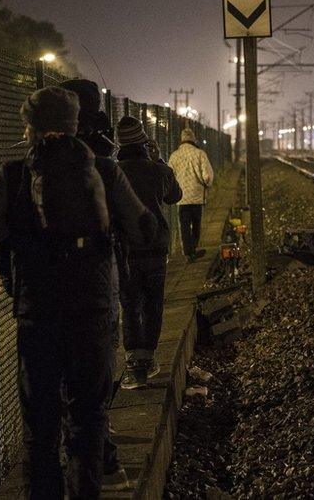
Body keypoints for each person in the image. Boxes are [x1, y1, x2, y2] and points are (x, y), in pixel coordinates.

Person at [0, 87, 155, 499]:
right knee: (88, 418)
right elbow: (143, 228)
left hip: (38, 313)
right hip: (94, 309)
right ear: (74, 122)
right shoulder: (103, 169)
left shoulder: (15, 174)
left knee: (41, 427)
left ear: (30, 127)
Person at [60, 78, 128, 491]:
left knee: (66, 373)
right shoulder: (104, 154)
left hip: (53, 283)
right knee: (99, 362)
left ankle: (81, 448)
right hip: (100, 278)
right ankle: (102, 452)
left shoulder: (39, 155)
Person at [115, 117, 182, 389]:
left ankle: (133, 363)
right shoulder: (157, 170)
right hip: (155, 246)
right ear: (144, 141)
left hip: (126, 248)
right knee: (153, 302)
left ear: (119, 142)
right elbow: (174, 196)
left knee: (129, 304)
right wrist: (160, 161)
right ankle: (148, 357)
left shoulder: (113, 172)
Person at [168, 127, 214, 262]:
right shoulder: (200, 154)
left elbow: (170, 175)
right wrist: (207, 183)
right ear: (193, 139)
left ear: (181, 140)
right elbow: (207, 176)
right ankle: (193, 248)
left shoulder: (174, 156)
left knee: (184, 226)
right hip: (196, 196)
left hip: (181, 197)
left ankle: (188, 252)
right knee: (196, 224)